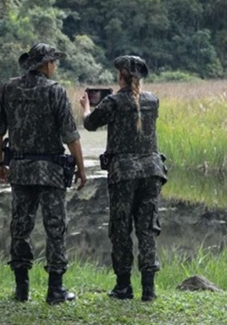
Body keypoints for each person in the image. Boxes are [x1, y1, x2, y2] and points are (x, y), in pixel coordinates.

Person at [0, 42, 87, 305]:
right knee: (55, 228)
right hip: (52, 171)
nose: (55, 66)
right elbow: (70, 135)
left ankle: (21, 289)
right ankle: (55, 290)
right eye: (54, 62)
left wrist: (0, 163)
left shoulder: (9, 89)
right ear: (46, 64)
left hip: (20, 170)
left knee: (20, 226)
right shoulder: (55, 91)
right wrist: (81, 166)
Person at [80, 55, 167, 302]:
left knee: (120, 229)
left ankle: (123, 286)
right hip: (152, 171)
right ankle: (149, 290)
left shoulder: (113, 102)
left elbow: (89, 124)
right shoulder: (153, 100)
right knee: (147, 228)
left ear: (121, 75)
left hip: (124, 174)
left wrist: (86, 106)